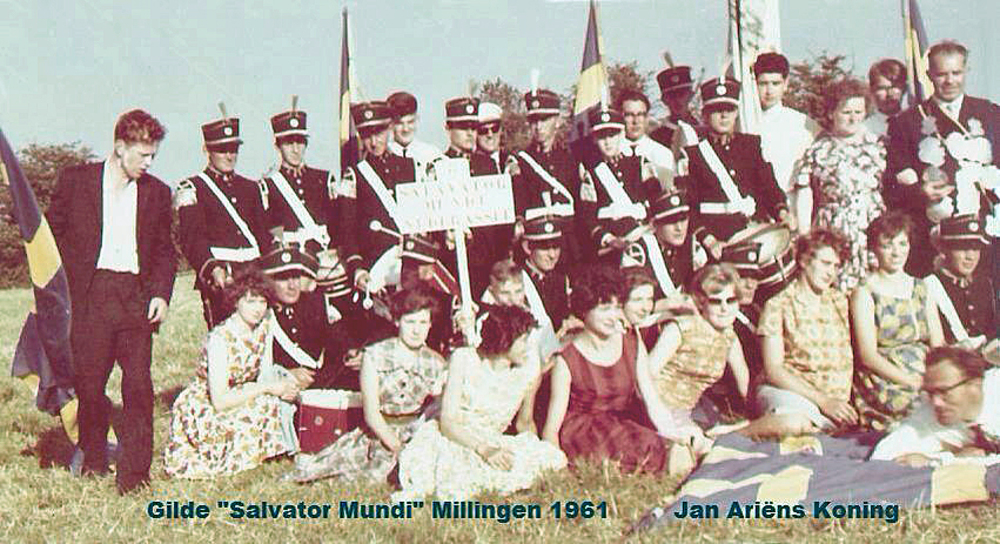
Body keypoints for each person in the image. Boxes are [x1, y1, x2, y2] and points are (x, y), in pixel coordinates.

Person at [47, 109, 176, 494]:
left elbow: (165, 251)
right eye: (143, 155)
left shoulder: (157, 192)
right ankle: (94, 459)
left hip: (135, 296)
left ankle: (135, 475)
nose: (149, 163)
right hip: (91, 295)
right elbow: (49, 237)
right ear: (120, 147)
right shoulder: (76, 181)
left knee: (138, 385)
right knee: (89, 385)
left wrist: (161, 294)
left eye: (153, 155)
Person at [394, 305, 566, 500]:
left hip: (492, 439)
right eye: (523, 340)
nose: (528, 347)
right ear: (505, 338)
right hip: (456, 438)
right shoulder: (465, 359)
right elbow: (448, 422)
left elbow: (525, 423)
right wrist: (483, 449)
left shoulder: (526, 371)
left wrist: (534, 452)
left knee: (547, 458)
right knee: (469, 476)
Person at [288, 287, 449, 483]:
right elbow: (372, 414)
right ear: (397, 321)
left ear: (430, 324)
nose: (416, 330)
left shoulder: (436, 362)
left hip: (418, 434)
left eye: (423, 322)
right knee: (368, 473)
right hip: (381, 433)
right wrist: (398, 448)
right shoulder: (375, 355)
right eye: (410, 322)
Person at [542, 265, 686, 475]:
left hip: (622, 423)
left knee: (676, 447)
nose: (613, 317)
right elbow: (551, 428)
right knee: (648, 450)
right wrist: (557, 466)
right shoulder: (567, 360)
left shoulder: (632, 344)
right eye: (604, 309)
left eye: (617, 307)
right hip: (584, 432)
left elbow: (651, 398)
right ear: (584, 310)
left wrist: (671, 433)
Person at [164, 266, 299, 479]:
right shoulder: (221, 338)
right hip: (209, 402)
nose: (258, 309)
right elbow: (220, 400)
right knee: (255, 409)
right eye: (251, 301)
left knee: (272, 403)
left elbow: (266, 370)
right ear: (236, 301)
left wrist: (281, 388)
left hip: (242, 391)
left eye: (262, 302)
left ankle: (264, 450)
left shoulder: (264, 324)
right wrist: (267, 388)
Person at [884, 40, 1000, 277]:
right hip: (935, 241)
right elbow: (891, 188)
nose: (949, 81)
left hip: (986, 236)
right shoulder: (906, 122)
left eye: (956, 73)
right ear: (929, 75)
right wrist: (919, 192)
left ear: (966, 71)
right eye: (941, 74)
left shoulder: (990, 114)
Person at [680, 77, 795, 258]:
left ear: (736, 113)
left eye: (729, 109)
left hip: (754, 232)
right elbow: (688, 206)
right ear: (705, 114)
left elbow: (769, 186)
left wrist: (782, 211)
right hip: (717, 240)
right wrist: (708, 239)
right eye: (716, 110)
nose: (724, 115)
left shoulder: (751, 145)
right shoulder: (693, 155)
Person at [176, 111, 272, 327]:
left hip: (255, 272)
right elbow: (192, 240)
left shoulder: (252, 188)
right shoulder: (193, 188)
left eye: (234, 149)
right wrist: (213, 269)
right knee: (226, 336)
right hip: (221, 276)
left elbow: (263, 236)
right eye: (222, 149)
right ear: (207, 150)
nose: (230, 156)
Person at [756, 229, 855, 434]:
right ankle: (733, 435)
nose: (831, 272)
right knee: (796, 424)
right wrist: (824, 401)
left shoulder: (839, 301)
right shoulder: (779, 304)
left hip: (835, 404)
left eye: (836, 266)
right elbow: (773, 369)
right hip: (791, 394)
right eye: (825, 263)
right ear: (803, 261)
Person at [852, 212, 944, 430]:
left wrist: (937, 376)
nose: (897, 252)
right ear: (874, 249)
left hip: (924, 370)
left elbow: (938, 343)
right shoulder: (865, 292)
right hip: (887, 376)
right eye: (887, 245)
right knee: (923, 410)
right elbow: (868, 356)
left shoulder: (921, 287)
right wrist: (911, 381)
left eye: (903, 244)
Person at [796, 77, 886, 290]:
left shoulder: (878, 147)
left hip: (871, 229)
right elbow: (805, 193)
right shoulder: (818, 150)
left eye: (858, 112)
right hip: (834, 231)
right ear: (831, 113)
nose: (853, 118)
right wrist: (804, 234)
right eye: (846, 112)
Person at [646, 264, 748, 438]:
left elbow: (744, 382)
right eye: (716, 301)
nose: (724, 308)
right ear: (702, 302)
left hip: (687, 411)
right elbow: (647, 374)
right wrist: (662, 417)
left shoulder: (729, 337)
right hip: (656, 408)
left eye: (731, 300)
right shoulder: (682, 327)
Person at [871, 347, 1000, 465]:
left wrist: (948, 460)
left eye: (944, 391)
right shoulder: (929, 413)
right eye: (931, 393)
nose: (936, 402)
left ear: (974, 384)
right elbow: (882, 458)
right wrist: (947, 458)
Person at [340, 100, 417, 295]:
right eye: (367, 135)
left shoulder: (410, 167)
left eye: (379, 133)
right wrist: (357, 268)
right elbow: (347, 229)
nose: (374, 142)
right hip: (376, 269)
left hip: (411, 263)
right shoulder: (353, 175)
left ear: (390, 128)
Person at [580, 107, 662, 264]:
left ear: (621, 134)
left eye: (612, 135)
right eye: (602, 137)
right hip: (611, 251)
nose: (607, 142)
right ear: (594, 139)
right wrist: (608, 239)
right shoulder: (592, 174)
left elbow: (656, 199)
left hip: (645, 240)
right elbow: (588, 217)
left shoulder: (639, 164)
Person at [513, 88, 583, 263]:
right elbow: (519, 205)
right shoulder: (520, 161)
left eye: (544, 120)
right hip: (538, 244)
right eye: (534, 121)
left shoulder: (572, 158)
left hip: (569, 241)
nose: (538, 127)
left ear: (557, 121)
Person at [752, 52, 820, 223]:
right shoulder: (745, 122)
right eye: (763, 84)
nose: (769, 91)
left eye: (775, 83)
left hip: (792, 208)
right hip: (755, 210)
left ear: (786, 83)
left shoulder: (804, 124)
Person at [262, 101, 338, 256]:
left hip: (324, 254)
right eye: (289, 143)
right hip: (290, 256)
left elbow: (337, 223)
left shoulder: (324, 179)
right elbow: (268, 227)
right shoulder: (268, 186)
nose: (296, 150)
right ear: (277, 146)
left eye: (300, 142)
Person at [926, 214, 997, 347]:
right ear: (944, 249)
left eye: (976, 249)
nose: (970, 257)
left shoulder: (984, 283)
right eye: (962, 248)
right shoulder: (930, 286)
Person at [620, 190, 704, 296]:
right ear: (655, 224)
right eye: (671, 221)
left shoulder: (692, 247)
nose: (679, 228)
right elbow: (633, 299)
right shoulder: (639, 253)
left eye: (683, 220)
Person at [516, 214, 572, 331]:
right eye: (545, 248)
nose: (552, 255)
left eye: (556, 247)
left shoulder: (561, 280)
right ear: (527, 247)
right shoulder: (517, 278)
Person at [617, 89, 676, 186]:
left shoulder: (662, 154)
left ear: (647, 117)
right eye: (629, 115)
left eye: (640, 114)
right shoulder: (612, 153)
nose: (635, 121)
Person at [649, 64, 703, 161]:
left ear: (690, 95)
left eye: (682, 94)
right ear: (664, 100)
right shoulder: (657, 137)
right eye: (671, 96)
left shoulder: (703, 131)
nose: (677, 100)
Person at [386, 91, 442, 170]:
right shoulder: (384, 155)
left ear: (417, 119)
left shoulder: (432, 154)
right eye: (399, 123)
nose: (406, 129)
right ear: (390, 124)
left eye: (410, 122)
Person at [864, 58, 907, 137]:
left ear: (904, 88)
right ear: (871, 90)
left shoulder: (915, 123)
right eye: (882, 88)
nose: (889, 94)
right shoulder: (865, 129)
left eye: (894, 87)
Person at [475, 101, 510, 174]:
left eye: (494, 129)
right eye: (483, 130)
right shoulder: (471, 167)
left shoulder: (512, 161)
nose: (490, 135)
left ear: (501, 130)